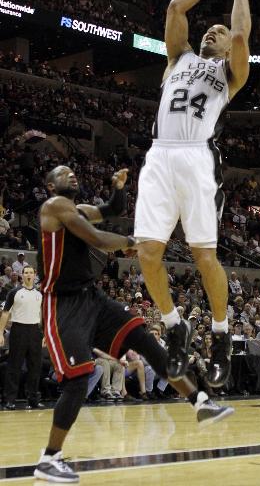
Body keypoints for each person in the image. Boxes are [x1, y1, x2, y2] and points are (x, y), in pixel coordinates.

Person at [33, 165, 233, 482]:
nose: (71, 174)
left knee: (144, 340)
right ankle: (49, 458)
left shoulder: (79, 209)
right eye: (62, 173)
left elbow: (112, 210)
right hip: (62, 304)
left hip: (91, 298)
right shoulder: (54, 206)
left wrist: (118, 188)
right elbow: (96, 237)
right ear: (49, 185)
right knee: (76, 382)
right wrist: (131, 242)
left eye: (73, 171)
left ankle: (199, 402)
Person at [134, 0, 256, 386]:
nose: (213, 32)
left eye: (218, 31)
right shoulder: (178, 59)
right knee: (147, 254)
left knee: (205, 258)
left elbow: (241, 37)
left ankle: (221, 335)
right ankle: (174, 327)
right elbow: (175, 7)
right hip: (159, 155)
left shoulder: (230, 74)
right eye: (209, 30)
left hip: (197, 158)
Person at [0, 265, 43, 409]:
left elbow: (43, 315)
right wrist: (0, 333)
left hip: (35, 331)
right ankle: (10, 400)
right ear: (22, 275)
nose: (29, 275)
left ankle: (33, 399)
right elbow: (5, 313)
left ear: (35, 274)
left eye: (31, 272)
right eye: (26, 273)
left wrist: (45, 334)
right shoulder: (14, 292)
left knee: (35, 367)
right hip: (18, 330)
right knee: (14, 366)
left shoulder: (40, 293)